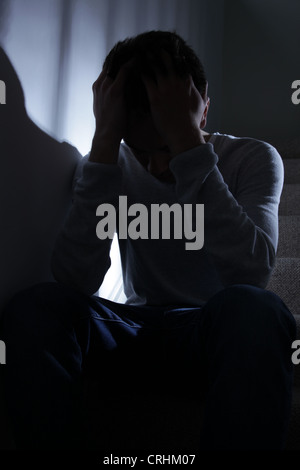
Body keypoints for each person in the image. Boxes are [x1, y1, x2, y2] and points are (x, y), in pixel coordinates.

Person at [1, 30, 296, 451]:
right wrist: (105, 145)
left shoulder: (251, 158)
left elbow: (252, 272)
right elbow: (75, 280)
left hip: (211, 331)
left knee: (259, 309)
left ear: (202, 109)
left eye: (166, 146)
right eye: (140, 150)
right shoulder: (106, 164)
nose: (157, 167)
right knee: (34, 308)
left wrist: (188, 150)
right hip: (134, 328)